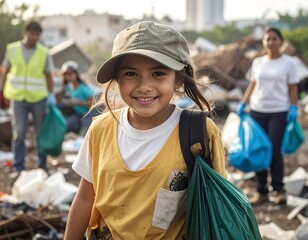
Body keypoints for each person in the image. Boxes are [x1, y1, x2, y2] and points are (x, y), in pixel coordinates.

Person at [64, 21, 227, 239]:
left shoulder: (199, 132)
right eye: (131, 74)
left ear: (178, 79)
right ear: (117, 80)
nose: (144, 86)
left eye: (158, 73)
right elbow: (85, 198)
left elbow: (218, 206)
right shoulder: (100, 129)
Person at [237, 27, 299, 205]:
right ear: (264, 42)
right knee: (258, 150)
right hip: (257, 111)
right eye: (267, 39)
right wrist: (244, 102)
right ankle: (262, 191)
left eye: (274, 39)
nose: (271, 42)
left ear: (281, 41)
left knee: (274, 151)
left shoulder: (289, 63)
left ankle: (279, 190)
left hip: (279, 111)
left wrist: (293, 107)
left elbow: (293, 87)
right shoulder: (258, 62)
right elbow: (252, 84)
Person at [0, 20, 56, 173]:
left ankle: (42, 164)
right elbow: (5, 71)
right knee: (19, 133)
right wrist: (1, 90)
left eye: (37, 34)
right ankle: (19, 167)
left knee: (40, 133)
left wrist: (51, 95)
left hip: (39, 98)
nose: (35, 37)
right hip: (19, 99)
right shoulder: (12, 49)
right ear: (25, 33)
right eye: (32, 33)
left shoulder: (44, 53)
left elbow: (49, 76)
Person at [57, 60, 96, 136]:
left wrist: (78, 102)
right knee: (65, 125)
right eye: (65, 74)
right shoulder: (68, 88)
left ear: (76, 74)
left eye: (70, 74)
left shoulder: (84, 87)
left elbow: (92, 103)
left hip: (88, 114)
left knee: (85, 133)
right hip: (77, 114)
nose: (68, 76)